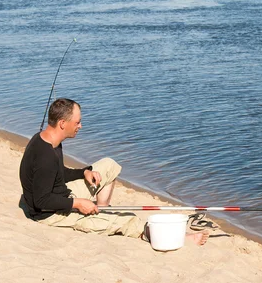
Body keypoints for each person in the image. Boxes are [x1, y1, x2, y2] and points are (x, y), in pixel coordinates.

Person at [19, 98, 208, 245]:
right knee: (127, 220)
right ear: (62, 123)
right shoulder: (45, 156)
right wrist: (78, 203)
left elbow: (59, 173)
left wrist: (84, 172)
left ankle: (101, 208)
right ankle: (183, 238)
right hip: (50, 213)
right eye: (77, 122)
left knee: (108, 165)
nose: (80, 126)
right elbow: (41, 201)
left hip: (61, 195)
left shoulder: (51, 141)